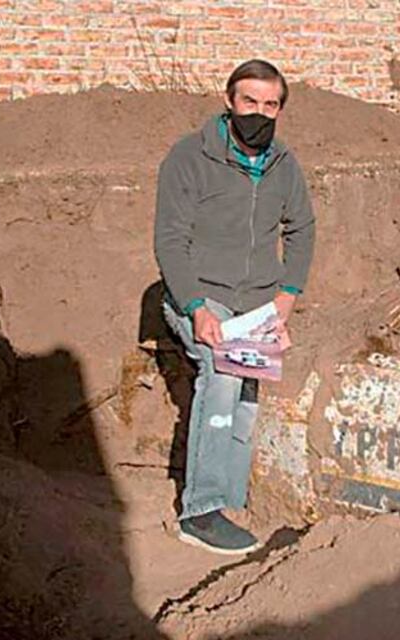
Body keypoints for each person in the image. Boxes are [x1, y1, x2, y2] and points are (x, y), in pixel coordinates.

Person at [154, 59, 315, 554]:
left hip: (257, 302)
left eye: (271, 105)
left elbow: (302, 230)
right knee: (221, 378)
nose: (259, 113)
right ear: (229, 101)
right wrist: (197, 308)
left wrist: (286, 298)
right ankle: (200, 511)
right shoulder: (189, 157)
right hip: (201, 294)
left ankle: (231, 494)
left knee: (247, 394)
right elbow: (169, 239)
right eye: (250, 102)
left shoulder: (283, 164)